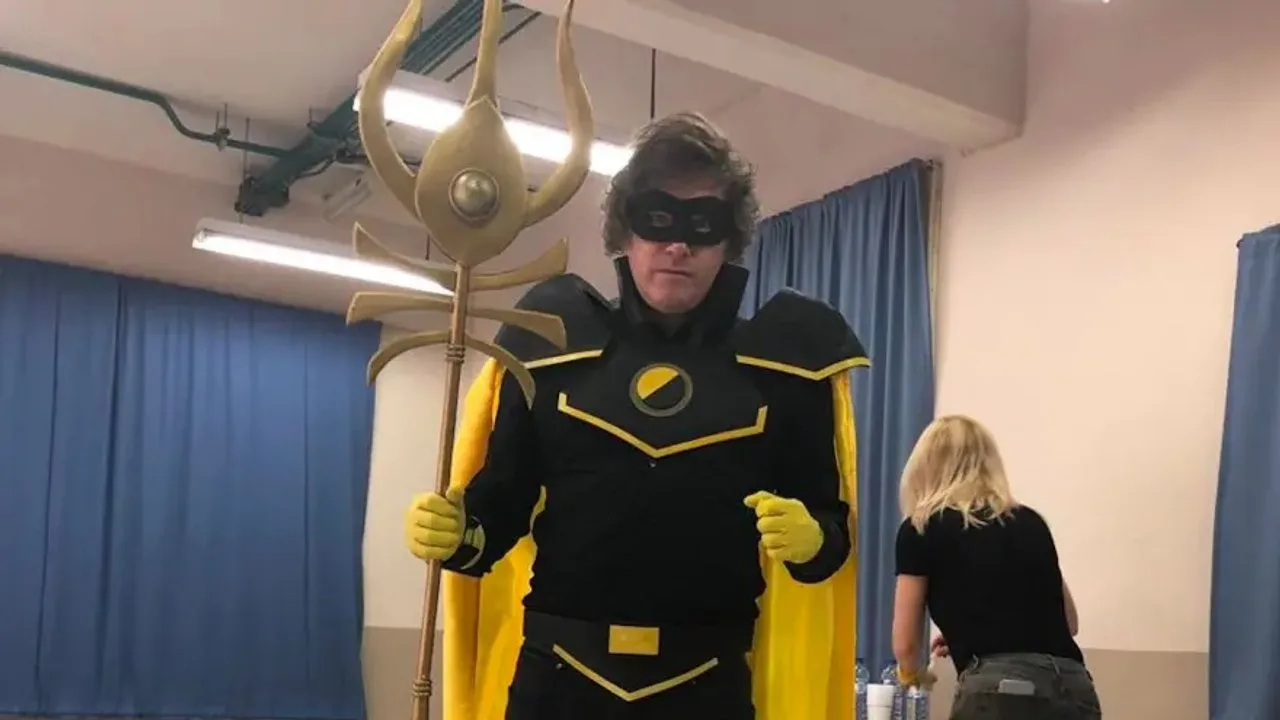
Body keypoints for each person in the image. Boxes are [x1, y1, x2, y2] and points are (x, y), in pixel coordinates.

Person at [402, 112, 869, 719]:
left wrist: (813, 540)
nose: (678, 246)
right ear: (624, 232)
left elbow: (831, 537)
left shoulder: (785, 368)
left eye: (703, 225)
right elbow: (498, 512)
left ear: (729, 241)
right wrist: (458, 533)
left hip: (706, 687)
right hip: (558, 683)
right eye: (657, 218)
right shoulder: (551, 345)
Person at [890, 415, 1102, 719]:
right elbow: (1069, 623)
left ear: (924, 466)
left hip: (999, 693)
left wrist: (912, 676)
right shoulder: (1030, 522)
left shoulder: (921, 527)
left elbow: (906, 644)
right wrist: (973, 630)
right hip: (1072, 687)